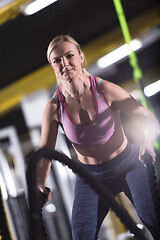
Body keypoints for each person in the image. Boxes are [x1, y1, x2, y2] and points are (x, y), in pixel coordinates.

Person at [37, 34, 159, 240]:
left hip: (129, 164)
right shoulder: (54, 107)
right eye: (57, 60)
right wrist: (39, 183)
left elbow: (147, 117)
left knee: (153, 218)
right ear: (52, 66)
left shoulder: (104, 89)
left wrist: (147, 141)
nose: (64, 63)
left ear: (81, 57)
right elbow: (44, 153)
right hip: (90, 177)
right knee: (82, 235)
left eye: (69, 56)